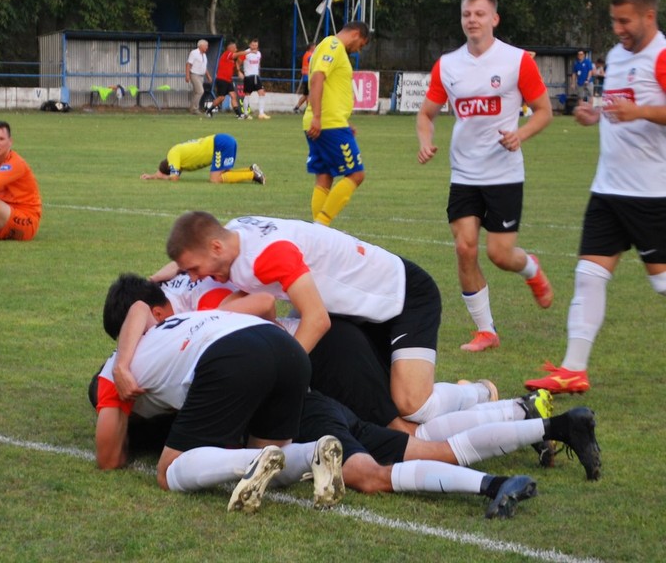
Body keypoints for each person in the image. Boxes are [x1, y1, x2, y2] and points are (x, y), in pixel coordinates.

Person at [95, 277, 601, 518]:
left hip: (286, 363)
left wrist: (120, 373)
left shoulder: (127, 359)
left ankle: (502, 446)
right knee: (408, 434)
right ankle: (526, 415)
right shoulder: (194, 306)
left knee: (381, 465)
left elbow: (108, 456)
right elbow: (258, 308)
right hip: (297, 357)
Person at [164, 212, 513, 437]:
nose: (197, 278)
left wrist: (278, 373)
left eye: (195, 270)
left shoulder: (267, 255)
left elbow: (316, 320)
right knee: (389, 414)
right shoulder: (233, 232)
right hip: (361, 309)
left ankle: (480, 391)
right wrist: (155, 282)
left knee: (412, 405)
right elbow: (188, 255)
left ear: (214, 246)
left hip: (403, 297)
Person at [525, 0, 666, 394]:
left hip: (651, 193)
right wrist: (596, 114)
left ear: (648, 16)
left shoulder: (660, 55)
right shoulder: (617, 57)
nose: (618, 28)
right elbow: (618, 109)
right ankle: (573, 369)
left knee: (661, 282)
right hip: (608, 189)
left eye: (625, 21)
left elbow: (641, 109)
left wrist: (638, 110)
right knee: (588, 274)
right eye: (613, 20)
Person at [95, 301, 345, 513]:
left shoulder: (111, 374)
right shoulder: (162, 328)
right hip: (287, 347)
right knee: (274, 459)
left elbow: (109, 459)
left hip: (230, 352)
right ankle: (314, 451)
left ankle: (254, 459)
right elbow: (139, 306)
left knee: (167, 471)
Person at [416, 0, 554, 352]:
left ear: (495, 19)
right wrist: (425, 140)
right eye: (466, 14)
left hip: (504, 174)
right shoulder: (447, 65)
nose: (472, 20)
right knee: (465, 248)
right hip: (464, 173)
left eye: (479, 13)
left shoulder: (517, 61)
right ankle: (486, 331)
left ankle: (531, 269)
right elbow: (425, 114)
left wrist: (520, 134)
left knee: (500, 254)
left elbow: (544, 110)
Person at [303, 21, 370, 226]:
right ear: (356, 34)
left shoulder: (333, 48)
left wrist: (344, 121)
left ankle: (317, 230)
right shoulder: (333, 45)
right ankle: (321, 226)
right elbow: (318, 77)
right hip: (327, 123)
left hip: (329, 121)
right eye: (362, 44)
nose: (359, 49)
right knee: (356, 174)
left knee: (324, 176)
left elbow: (331, 87)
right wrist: (318, 116)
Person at [140, 134, 265, 185]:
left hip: (220, 143)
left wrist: (162, 177)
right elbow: (168, 173)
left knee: (215, 179)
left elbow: (174, 178)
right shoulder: (180, 157)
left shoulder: (172, 154)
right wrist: (152, 176)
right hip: (224, 140)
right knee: (223, 174)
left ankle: (252, 175)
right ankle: (251, 170)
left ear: (169, 165)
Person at [208, 40, 245, 118]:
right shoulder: (227, 54)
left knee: (233, 95)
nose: (236, 49)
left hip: (228, 80)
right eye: (235, 48)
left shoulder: (231, 59)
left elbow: (234, 67)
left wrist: (239, 72)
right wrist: (246, 52)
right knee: (221, 98)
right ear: (230, 48)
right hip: (222, 79)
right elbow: (236, 55)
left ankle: (239, 114)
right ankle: (209, 110)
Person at [239, 39, 269, 119]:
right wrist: (239, 71)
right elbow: (238, 62)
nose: (254, 47)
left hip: (256, 76)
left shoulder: (259, 53)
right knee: (247, 94)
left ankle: (261, 113)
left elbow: (258, 65)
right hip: (248, 76)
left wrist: (259, 73)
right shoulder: (245, 53)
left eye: (256, 45)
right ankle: (245, 113)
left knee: (262, 93)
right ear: (250, 45)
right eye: (253, 45)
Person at [185, 39, 212, 114]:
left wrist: (208, 76)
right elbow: (188, 64)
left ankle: (192, 109)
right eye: (206, 46)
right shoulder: (194, 53)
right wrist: (187, 75)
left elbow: (204, 66)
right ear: (201, 45)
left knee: (196, 92)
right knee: (200, 91)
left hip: (201, 76)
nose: (207, 47)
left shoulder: (204, 55)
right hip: (194, 74)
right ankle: (195, 108)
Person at [293, 43, 315, 114]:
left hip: (306, 77)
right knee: (308, 94)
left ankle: (296, 107)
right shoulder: (310, 56)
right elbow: (313, 62)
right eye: (314, 47)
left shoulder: (306, 54)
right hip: (308, 77)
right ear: (311, 48)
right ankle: (308, 110)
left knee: (306, 94)